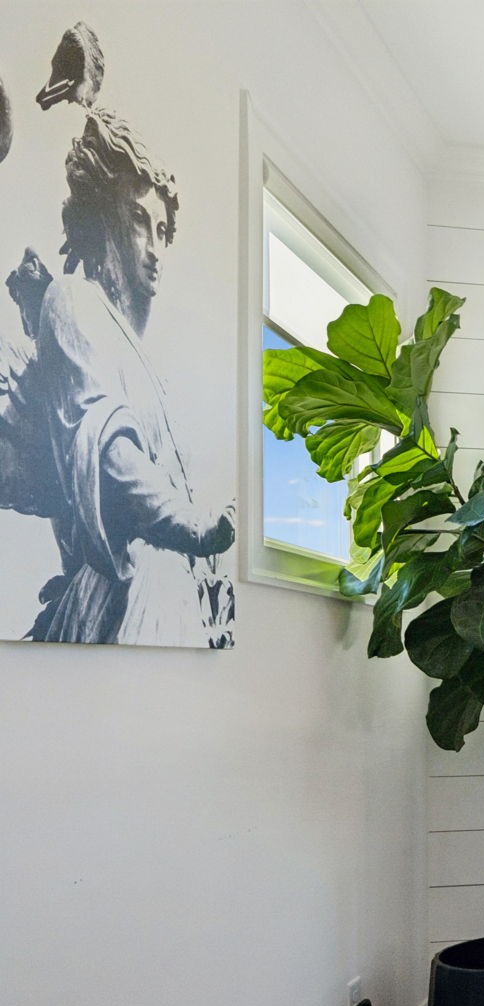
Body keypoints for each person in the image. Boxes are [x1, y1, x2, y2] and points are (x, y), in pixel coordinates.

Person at [0, 107, 234, 647]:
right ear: (104, 220)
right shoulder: (73, 299)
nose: (155, 250)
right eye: (138, 222)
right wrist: (191, 523)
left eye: (163, 231)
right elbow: (106, 446)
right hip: (126, 588)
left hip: (168, 590)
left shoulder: (144, 363)